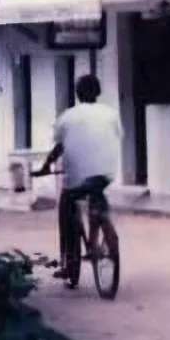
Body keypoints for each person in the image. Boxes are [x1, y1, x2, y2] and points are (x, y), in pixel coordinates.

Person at [34, 74, 122, 279]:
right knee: (97, 193)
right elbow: (115, 137)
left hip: (77, 178)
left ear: (78, 93)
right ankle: (97, 233)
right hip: (106, 173)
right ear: (98, 92)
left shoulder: (68, 117)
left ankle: (69, 265)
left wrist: (46, 166)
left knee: (67, 208)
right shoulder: (111, 114)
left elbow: (60, 146)